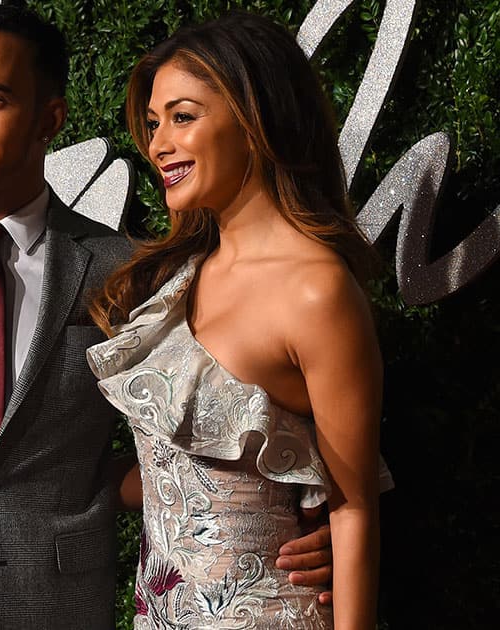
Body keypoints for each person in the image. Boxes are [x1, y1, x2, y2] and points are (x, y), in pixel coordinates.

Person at [0, 5, 334, 629]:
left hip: (59, 609)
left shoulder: (125, 269)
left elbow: (202, 434)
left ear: (51, 117)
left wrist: (300, 518)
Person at [88, 11, 385, 629]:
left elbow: (353, 511)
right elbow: (164, 477)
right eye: (153, 123)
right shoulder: (172, 282)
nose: (159, 143)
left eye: (183, 116)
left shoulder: (316, 292)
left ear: (255, 121)